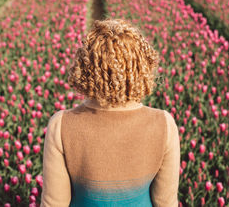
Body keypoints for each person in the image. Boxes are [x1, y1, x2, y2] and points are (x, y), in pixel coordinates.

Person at [41, 19, 180, 206]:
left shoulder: (61, 125)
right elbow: (165, 202)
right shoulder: (164, 124)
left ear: (85, 67)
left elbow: (54, 203)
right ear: (142, 67)